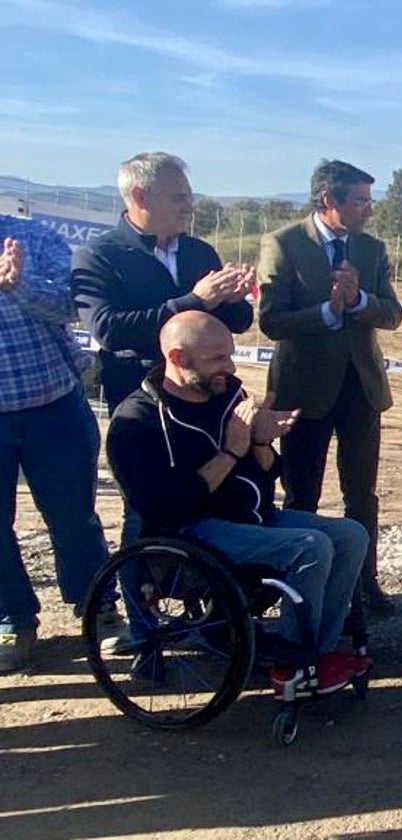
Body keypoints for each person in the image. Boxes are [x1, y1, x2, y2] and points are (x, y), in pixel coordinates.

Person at [105, 311, 369, 691]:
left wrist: (261, 442)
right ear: (178, 358)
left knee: (351, 534)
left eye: (230, 355)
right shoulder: (139, 420)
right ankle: (292, 659)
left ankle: (319, 652)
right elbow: (163, 506)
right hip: (193, 533)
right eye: (217, 359)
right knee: (311, 546)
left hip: (255, 517)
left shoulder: (228, 393)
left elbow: (266, 472)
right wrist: (231, 451)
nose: (229, 367)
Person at [72, 151, 255, 550]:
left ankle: (212, 602)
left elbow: (237, 323)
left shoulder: (199, 253)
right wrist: (194, 300)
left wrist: (234, 299)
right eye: (179, 197)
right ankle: (143, 605)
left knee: (211, 495)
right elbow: (108, 329)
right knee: (146, 509)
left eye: (188, 196)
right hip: (145, 406)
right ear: (140, 195)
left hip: (206, 400)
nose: (190, 206)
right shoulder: (100, 257)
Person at [257, 160, 402, 618]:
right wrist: (325, 313)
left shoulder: (371, 249)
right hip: (304, 393)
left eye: (368, 200)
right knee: (302, 495)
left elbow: (392, 314)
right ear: (328, 201)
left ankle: (365, 585)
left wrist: (359, 301)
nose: (369, 210)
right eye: (360, 201)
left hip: (361, 390)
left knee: (362, 494)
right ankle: (301, 592)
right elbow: (271, 321)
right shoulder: (283, 244)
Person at [0, 215, 112, 673]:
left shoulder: (32, 235)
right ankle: (14, 619)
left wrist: (19, 284)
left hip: (53, 405)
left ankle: (97, 608)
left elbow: (71, 305)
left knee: (74, 518)